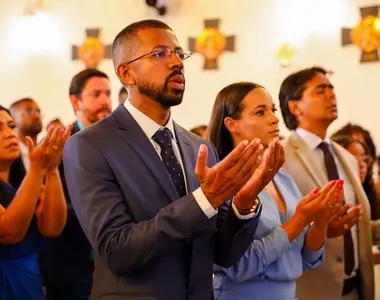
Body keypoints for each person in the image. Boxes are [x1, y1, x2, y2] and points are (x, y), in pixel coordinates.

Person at [62, 19, 280, 299]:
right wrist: (205, 200)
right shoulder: (90, 145)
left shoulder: (199, 147)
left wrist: (245, 201)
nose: (177, 62)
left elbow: (224, 255)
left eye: (179, 53)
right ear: (127, 73)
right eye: (161, 53)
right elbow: (117, 250)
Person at [209, 82, 343, 300]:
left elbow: (306, 259)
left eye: (273, 110)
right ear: (232, 125)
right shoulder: (223, 183)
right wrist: (299, 219)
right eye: (261, 112)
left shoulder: (281, 177)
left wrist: (320, 220)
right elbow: (238, 266)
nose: (274, 118)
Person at [279, 66, 380, 300]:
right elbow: (275, 229)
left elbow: (357, 225)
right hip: (311, 291)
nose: (331, 95)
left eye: (331, 88)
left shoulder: (345, 157)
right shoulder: (281, 157)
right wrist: (321, 229)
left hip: (355, 288)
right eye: (320, 90)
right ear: (295, 107)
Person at [38, 69, 112, 300]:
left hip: (112, 262)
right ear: (75, 100)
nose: (105, 101)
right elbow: (46, 205)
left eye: (108, 94)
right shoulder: (59, 143)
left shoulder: (116, 143)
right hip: (70, 262)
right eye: (96, 94)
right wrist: (103, 204)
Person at [0, 105, 70, 300]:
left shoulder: (21, 183)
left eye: (11, 126)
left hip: (29, 281)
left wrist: (52, 168)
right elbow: (8, 232)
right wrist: (37, 169)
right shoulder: (31, 177)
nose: (8, 134)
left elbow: (53, 227)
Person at [9, 98, 43, 171]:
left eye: (38, 111)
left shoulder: (47, 153)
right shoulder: (8, 158)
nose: (37, 116)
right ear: (12, 118)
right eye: (29, 111)